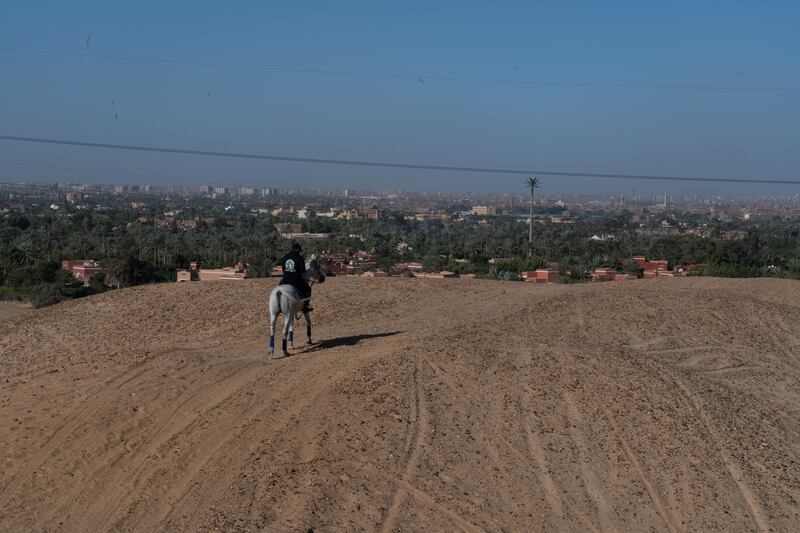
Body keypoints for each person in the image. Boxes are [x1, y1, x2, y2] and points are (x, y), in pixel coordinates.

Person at [279, 242, 312, 312]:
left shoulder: (285, 257)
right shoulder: (300, 258)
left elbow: (283, 269)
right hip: (295, 280)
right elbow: (303, 271)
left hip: (285, 280)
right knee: (308, 289)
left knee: (279, 288)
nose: (299, 252)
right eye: (299, 251)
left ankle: (279, 304)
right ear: (297, 250)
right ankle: (306, 305)